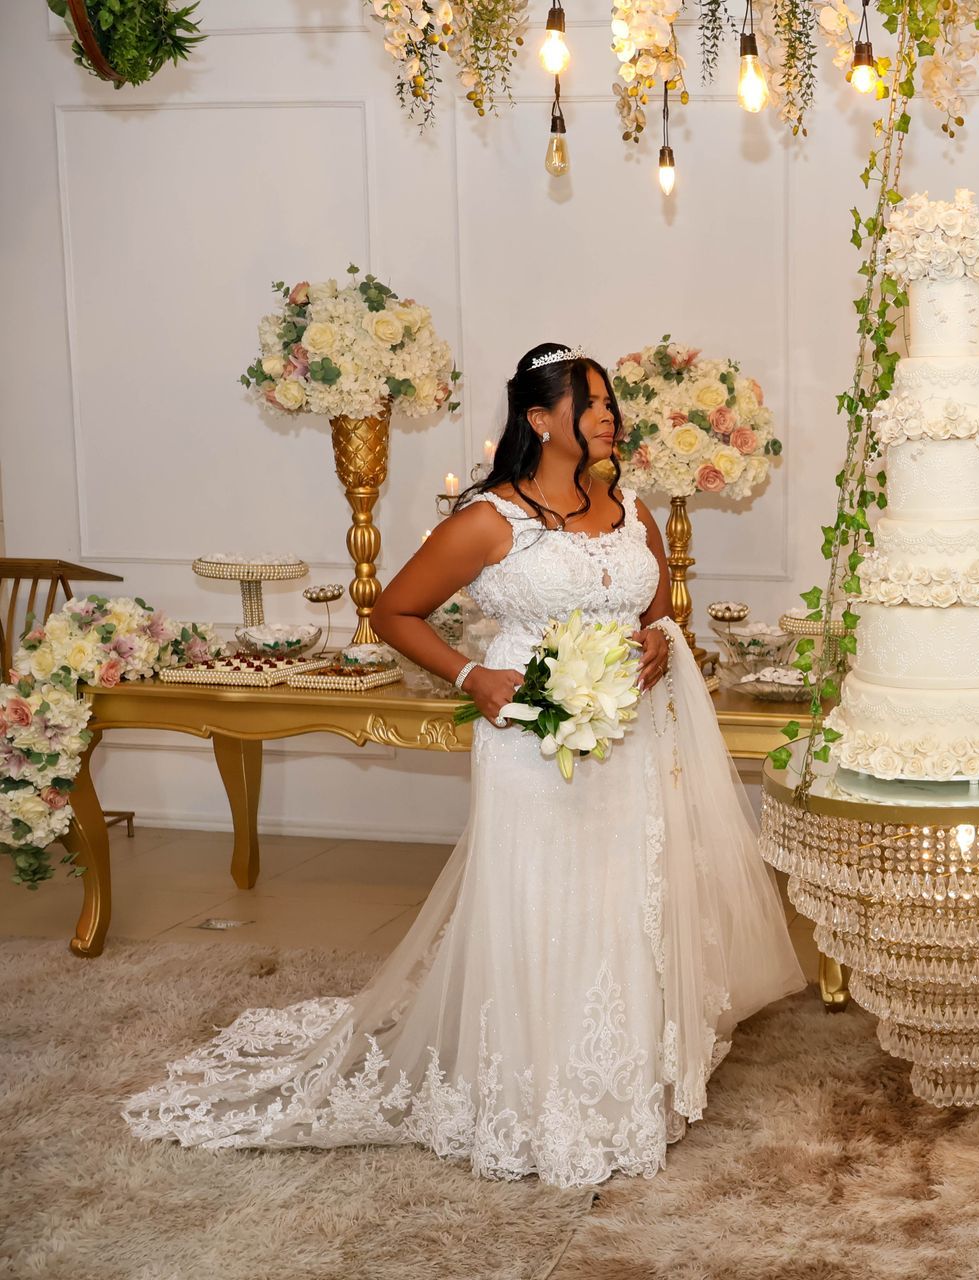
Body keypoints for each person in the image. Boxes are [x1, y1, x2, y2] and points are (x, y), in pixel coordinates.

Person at [124, 343, 804, 1185]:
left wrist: (660, 644)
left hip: (627, 738)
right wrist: (471, 676)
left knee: (627, 897)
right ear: (539, 418)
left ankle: (619, 1085)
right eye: (590, 402)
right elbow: (394, 611)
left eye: (609, 403)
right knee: (539, 897)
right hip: (526, 733)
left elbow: (658, 612)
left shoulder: (632, 509)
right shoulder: (489, 520)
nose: (608, 416)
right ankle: (530, 1093)